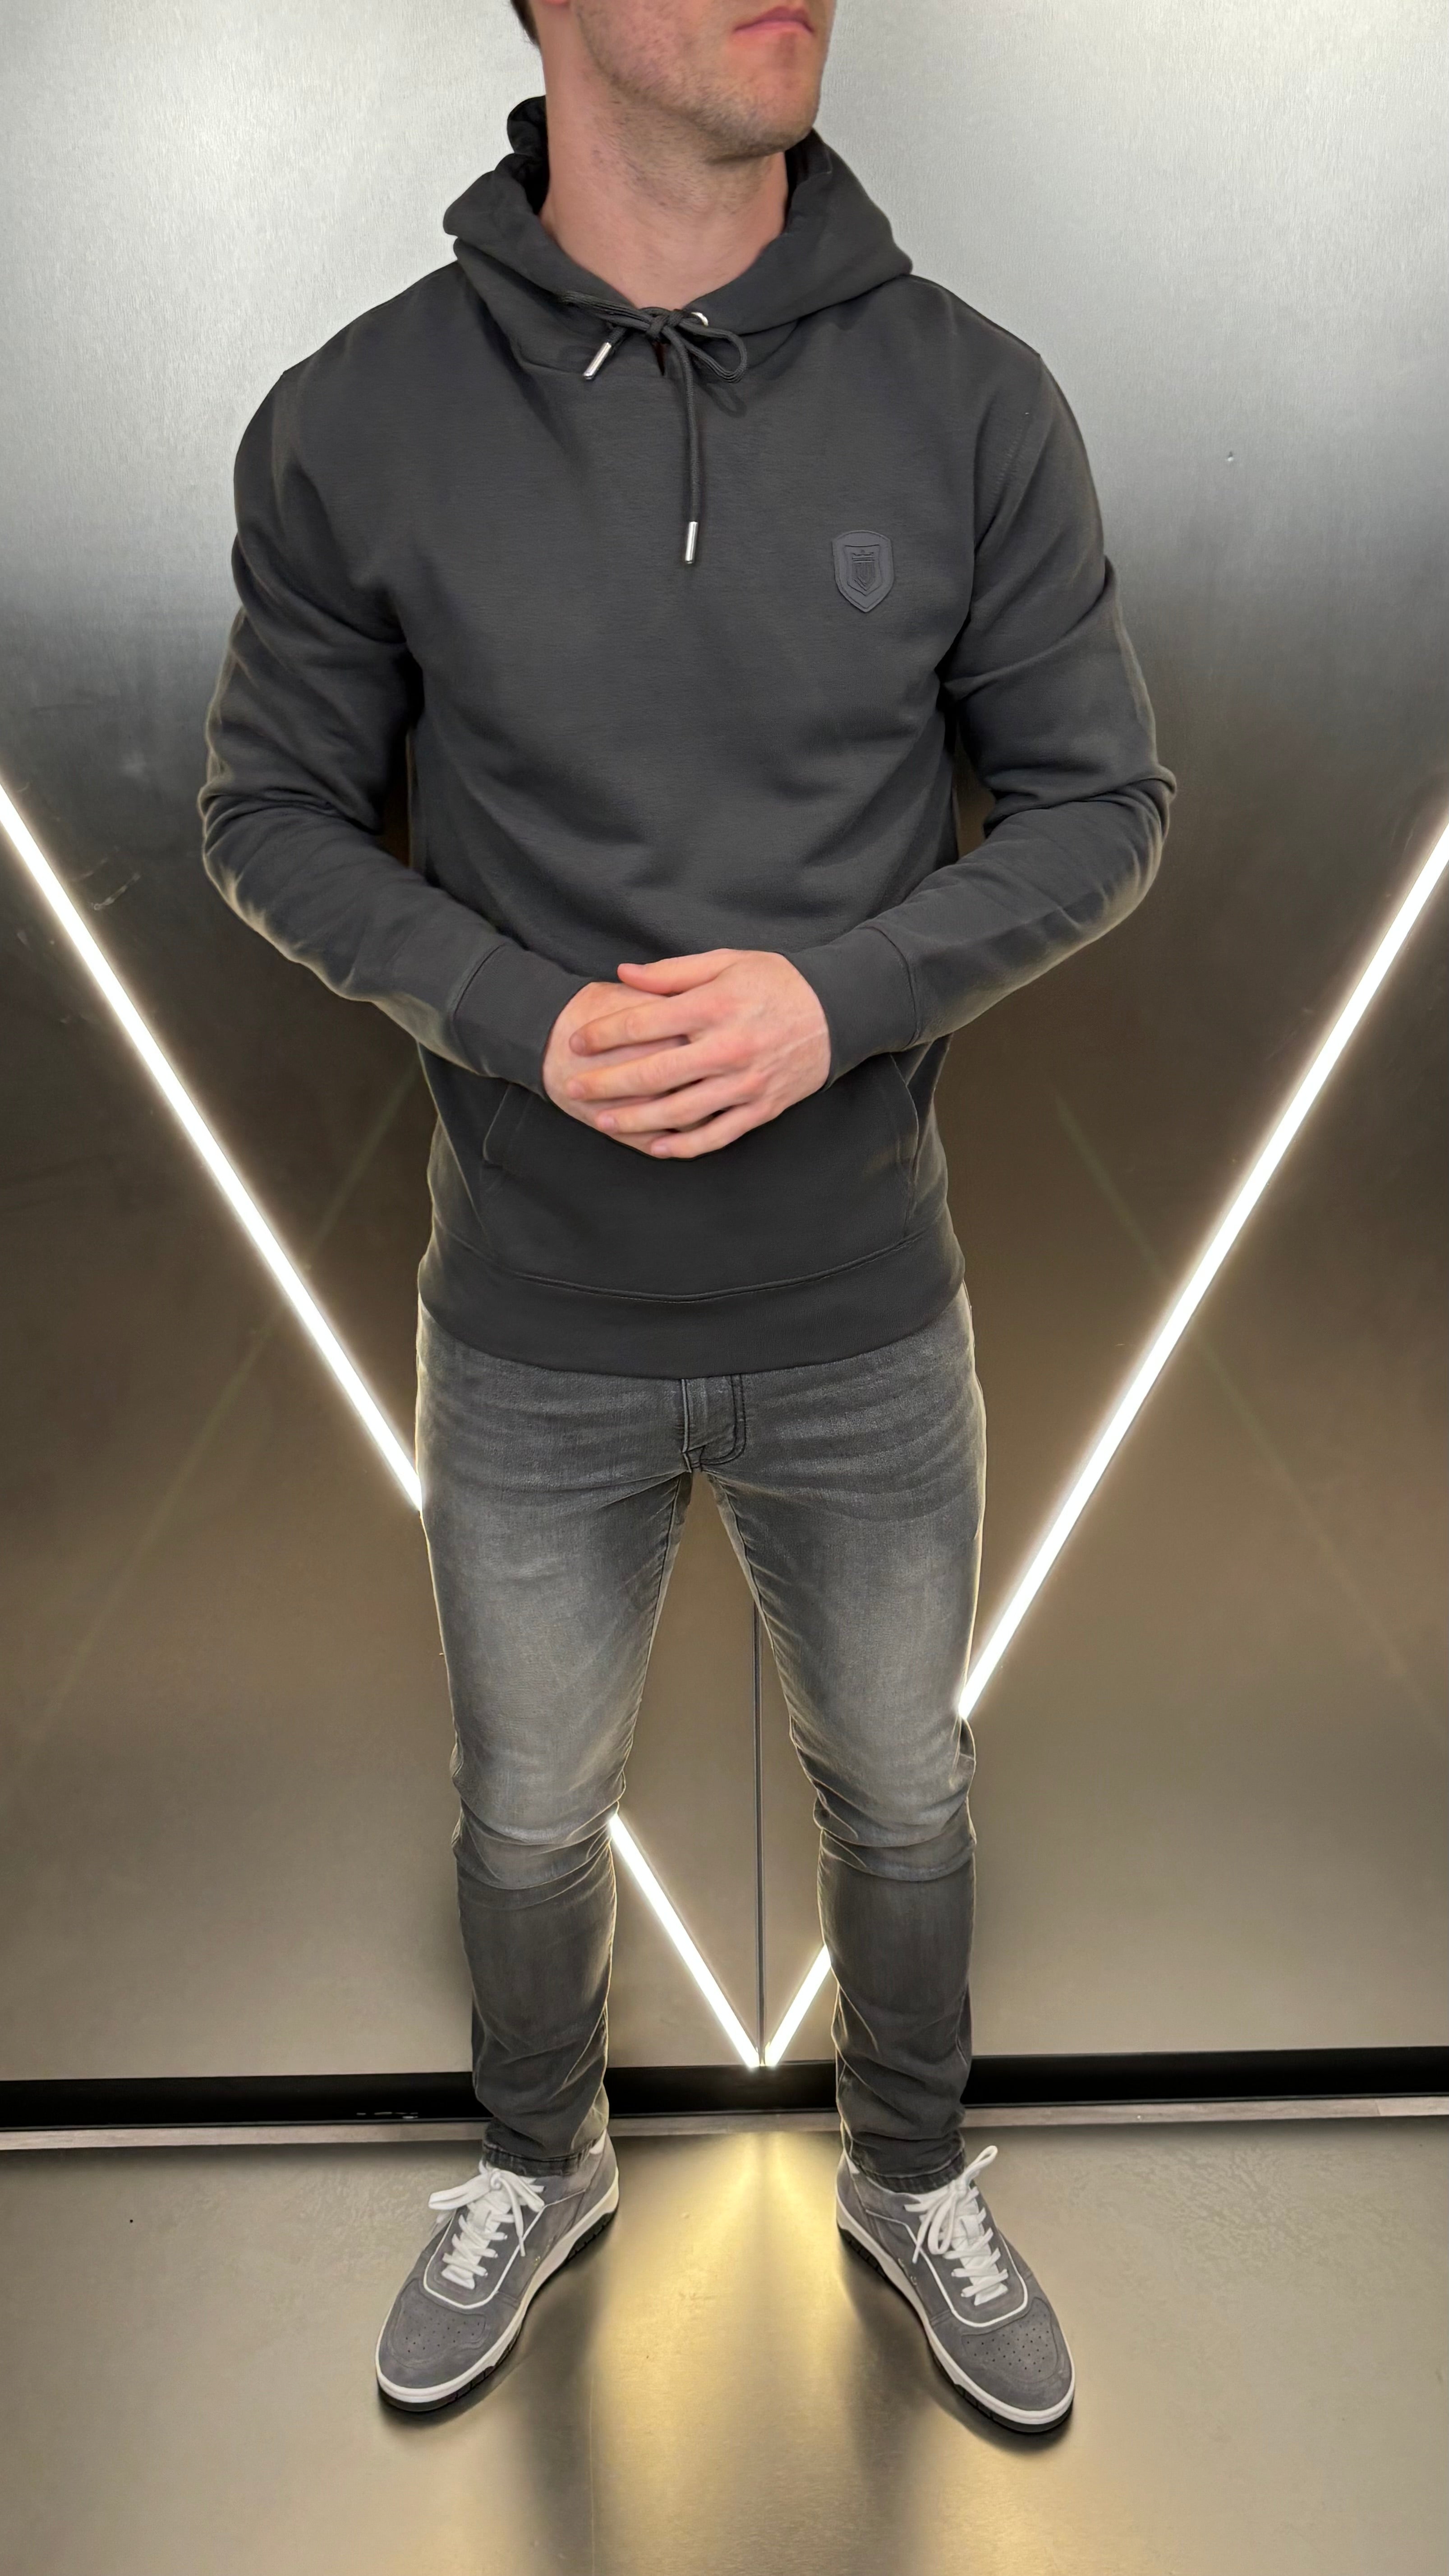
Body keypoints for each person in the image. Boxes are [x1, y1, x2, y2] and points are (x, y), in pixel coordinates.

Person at [199, 0, 1173, 2432]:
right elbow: (268, 815)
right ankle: (537, 2161)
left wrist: (837, 1002)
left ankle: (912, 2174)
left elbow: (1101, 804)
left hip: (867, 1310)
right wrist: (516, 1017)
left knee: (906, 1792)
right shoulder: (357, 418)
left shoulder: (973, 399)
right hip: (531, 1324)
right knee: (528, 1813)